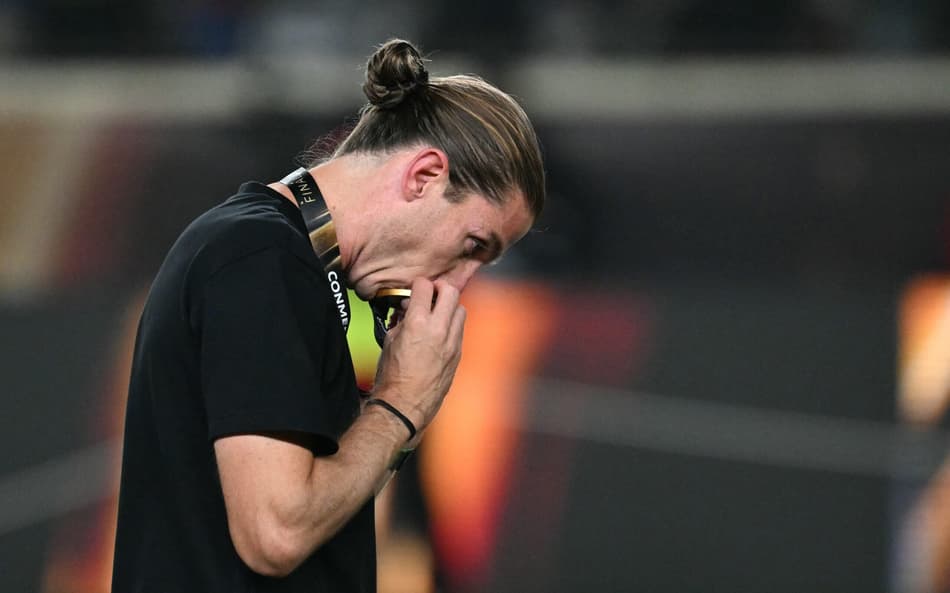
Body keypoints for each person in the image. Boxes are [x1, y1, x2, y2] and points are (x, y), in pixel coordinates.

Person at [111, 39, 545, 592]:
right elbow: (277, 535)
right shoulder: (261, 258)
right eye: (472, 246)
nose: (458, 283)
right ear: (424, 176)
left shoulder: (288, 263)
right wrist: (402, 404)